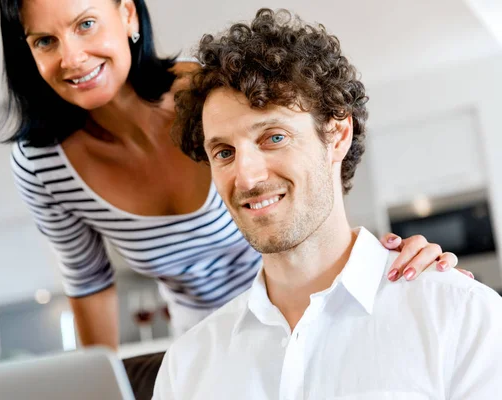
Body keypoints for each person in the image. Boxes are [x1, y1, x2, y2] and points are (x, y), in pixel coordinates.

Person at [0, 0, 465, 348]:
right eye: (45, 40)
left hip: (313, 305)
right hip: (207, 336)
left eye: (85, 24)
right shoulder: (43, 163)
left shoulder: (213, 100)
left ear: (127, 16)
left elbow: (306, 194)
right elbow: (88, 281)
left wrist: (381, 264)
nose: (73, 57)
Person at [153, 9, 502, 399]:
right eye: (223, 152)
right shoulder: (187, 366)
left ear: (337, 135)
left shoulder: (460, 316)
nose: (247, 177)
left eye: (274, 137)